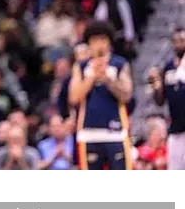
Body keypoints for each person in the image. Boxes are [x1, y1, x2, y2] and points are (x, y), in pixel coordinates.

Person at [68, 21, 134, 170]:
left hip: (116, 132)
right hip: (88, 133)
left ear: (109, 42)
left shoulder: (119, 64)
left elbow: (127, 95)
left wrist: (108, 79)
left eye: (103, 39)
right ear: (88, 44)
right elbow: (73, 98)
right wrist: (92, 77)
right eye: (95, 40)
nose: (99, 44)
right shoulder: (81, 67)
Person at [148, 27, 185, 170]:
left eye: (182, 40)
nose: (179, 44)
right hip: (175, 128)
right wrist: (156, 85)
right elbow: (160, 101)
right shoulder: (168, 67)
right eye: (176, 41)